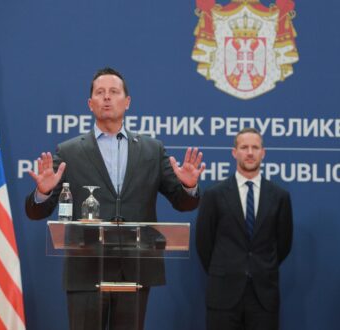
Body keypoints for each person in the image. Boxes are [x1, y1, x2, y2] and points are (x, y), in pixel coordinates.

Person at [25, 67, 205, 330]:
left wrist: (189, 187)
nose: (106, 98)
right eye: (100, 93)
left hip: (134, 270)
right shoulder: (69, 151)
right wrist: (43, 192)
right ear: (90, 104)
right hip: (85, 271)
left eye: (113, 92)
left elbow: (182, 202)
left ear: (127, 101)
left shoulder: (152, 150)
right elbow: (37, 212)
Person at [196, 127, 293, 330]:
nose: (250, 152)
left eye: (255, 147)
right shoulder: (214, 194)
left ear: (263, 153)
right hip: (223, 294)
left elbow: (283, 244)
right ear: (234, 152)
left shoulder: (280, 196)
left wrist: (261, 267)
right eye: (244, 147)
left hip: (263, 296)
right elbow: (204, 243)